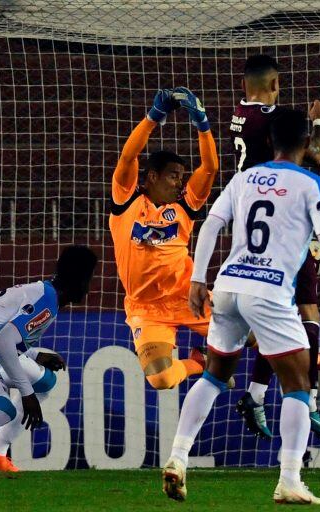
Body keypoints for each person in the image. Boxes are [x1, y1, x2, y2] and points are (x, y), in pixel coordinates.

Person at [162, 109, 320, 504]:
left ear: (270, 142)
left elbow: (210, 225)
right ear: (306, 144)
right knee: (299, 386)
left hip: (228, 286)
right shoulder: (312, 182)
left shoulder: (244, 178)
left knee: (214, 377)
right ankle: (289, 478)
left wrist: (199, 280)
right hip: (268, 292)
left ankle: (177, 457)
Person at [231, 53, 320, 443]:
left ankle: (257, 397)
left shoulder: (242, 115)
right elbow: (310, 155)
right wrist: (319, 122)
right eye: (280, 85)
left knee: (291, 311)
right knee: (304, 309)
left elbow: (302, 155)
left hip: (253, 218)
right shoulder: (271, 120)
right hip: (280, 224)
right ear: (273, 85)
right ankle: (307, 401)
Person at [0, 246, 97, 472]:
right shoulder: (46, 301)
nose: (89, 288)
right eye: (89, 279)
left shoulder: (44, 293)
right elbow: (2, 343)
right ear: (79, 280)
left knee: (44, 381)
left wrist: (33, 354)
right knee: (3, 409)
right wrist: (27, 394)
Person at [109, 87, 218, 390]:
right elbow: (128, 156)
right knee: (161, 379)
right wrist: (152, 117)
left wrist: (203, 126)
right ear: (153, 176)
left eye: (182, 176)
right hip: (145, 308)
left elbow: (209, 168)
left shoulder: (184, 206)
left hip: (187, 296)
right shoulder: (126, 202)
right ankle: (199, 362)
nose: (180, 182)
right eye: (173, 175)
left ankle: (318, 364)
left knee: (250, 337)